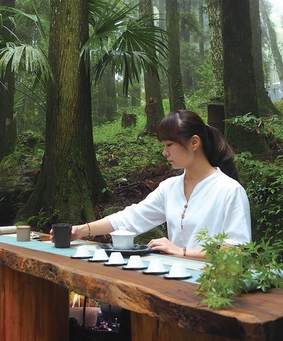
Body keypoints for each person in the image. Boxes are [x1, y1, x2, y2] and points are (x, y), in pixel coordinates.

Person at [59, 110, 251, 259]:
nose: (164, 152)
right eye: (163, 146)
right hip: (174, 281)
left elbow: (236, 252)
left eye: (169, 145)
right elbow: (132, 217)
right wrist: (81, 230)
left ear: (194, 143)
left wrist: (181, 251)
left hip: (213, 290)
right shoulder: (170, 188)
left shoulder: (229, 190)